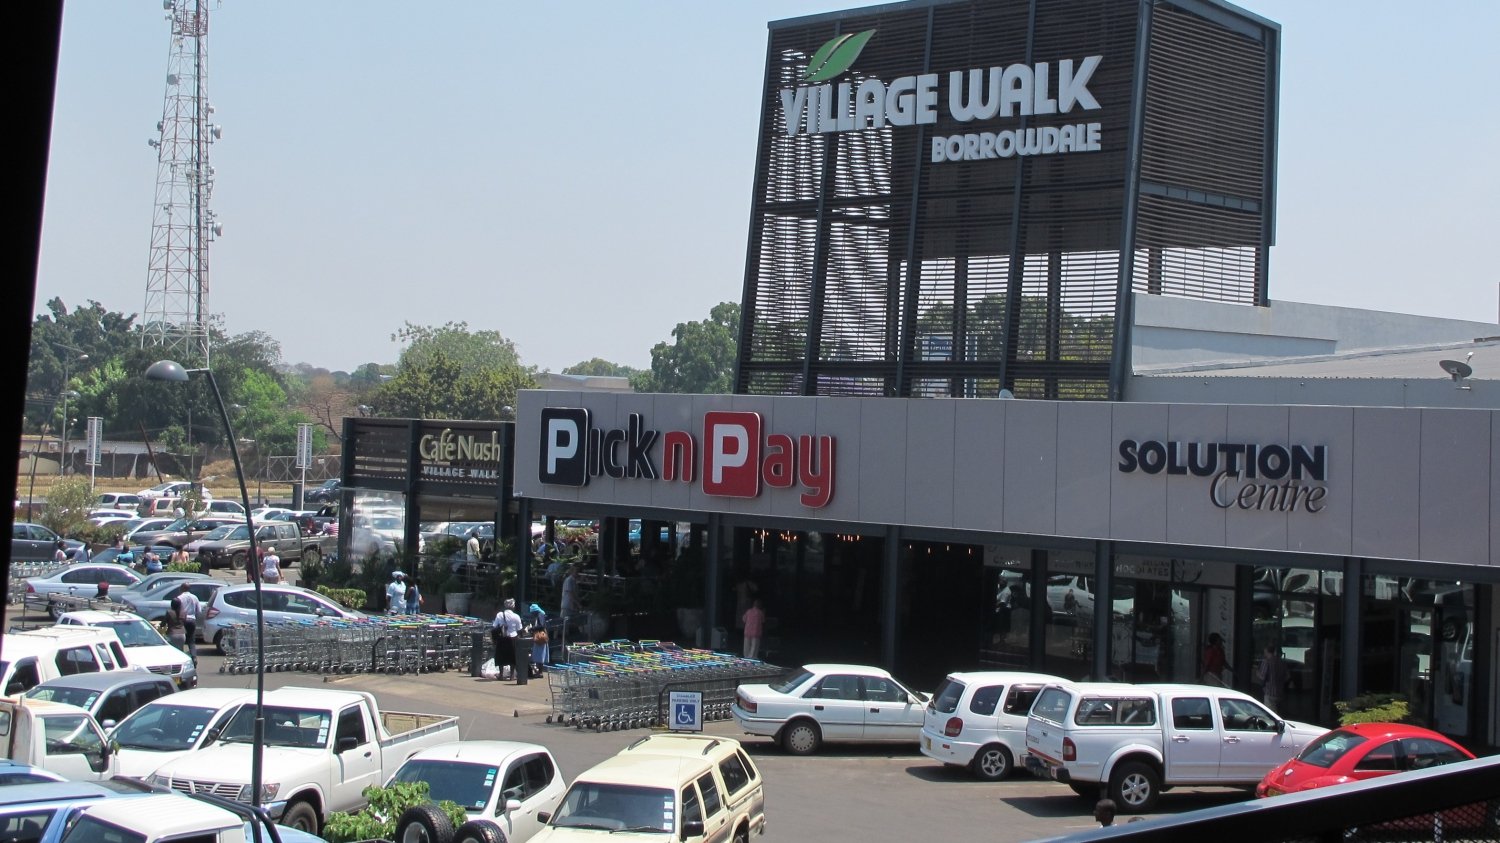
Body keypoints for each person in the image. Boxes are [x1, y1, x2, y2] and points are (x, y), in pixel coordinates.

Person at [491, 599, 523, 681]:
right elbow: (519, 629)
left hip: (502, 638)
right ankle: (512, 676)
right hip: (513, 638)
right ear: (513, 607)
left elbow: (495, 626)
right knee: (513, 658)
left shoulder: (499, 615)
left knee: (500, 657)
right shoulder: (516, 616)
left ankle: (501, 675)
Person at [1257, 643, 1289, 711]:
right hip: (1280, 692)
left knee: (1270, 713)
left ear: (1266, 651)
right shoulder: (1282, 662)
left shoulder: (1266, 662)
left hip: (1269, 692)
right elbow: (1287, 677)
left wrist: (1257, 673)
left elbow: (1262, 676)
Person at [174, 583, 201, 662]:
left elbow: (176, 610)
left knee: (180, 640)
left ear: (182, 588)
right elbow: (198, 611)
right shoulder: (194, 597)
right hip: (192, 620)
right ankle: (194, 657)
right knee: (191, 640)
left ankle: (181, 658)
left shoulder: (179, 598)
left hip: (182, 620)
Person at [560, 564, 580, 638]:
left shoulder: (574, 581)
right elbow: (570, 594)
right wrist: (578, 604)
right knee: (564, 625)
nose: (578, 573)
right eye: (576, 571)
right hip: (567, 605)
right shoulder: (569, 580)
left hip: (572, 607)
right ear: (572, 571)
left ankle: (572, 639)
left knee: (573, 625)